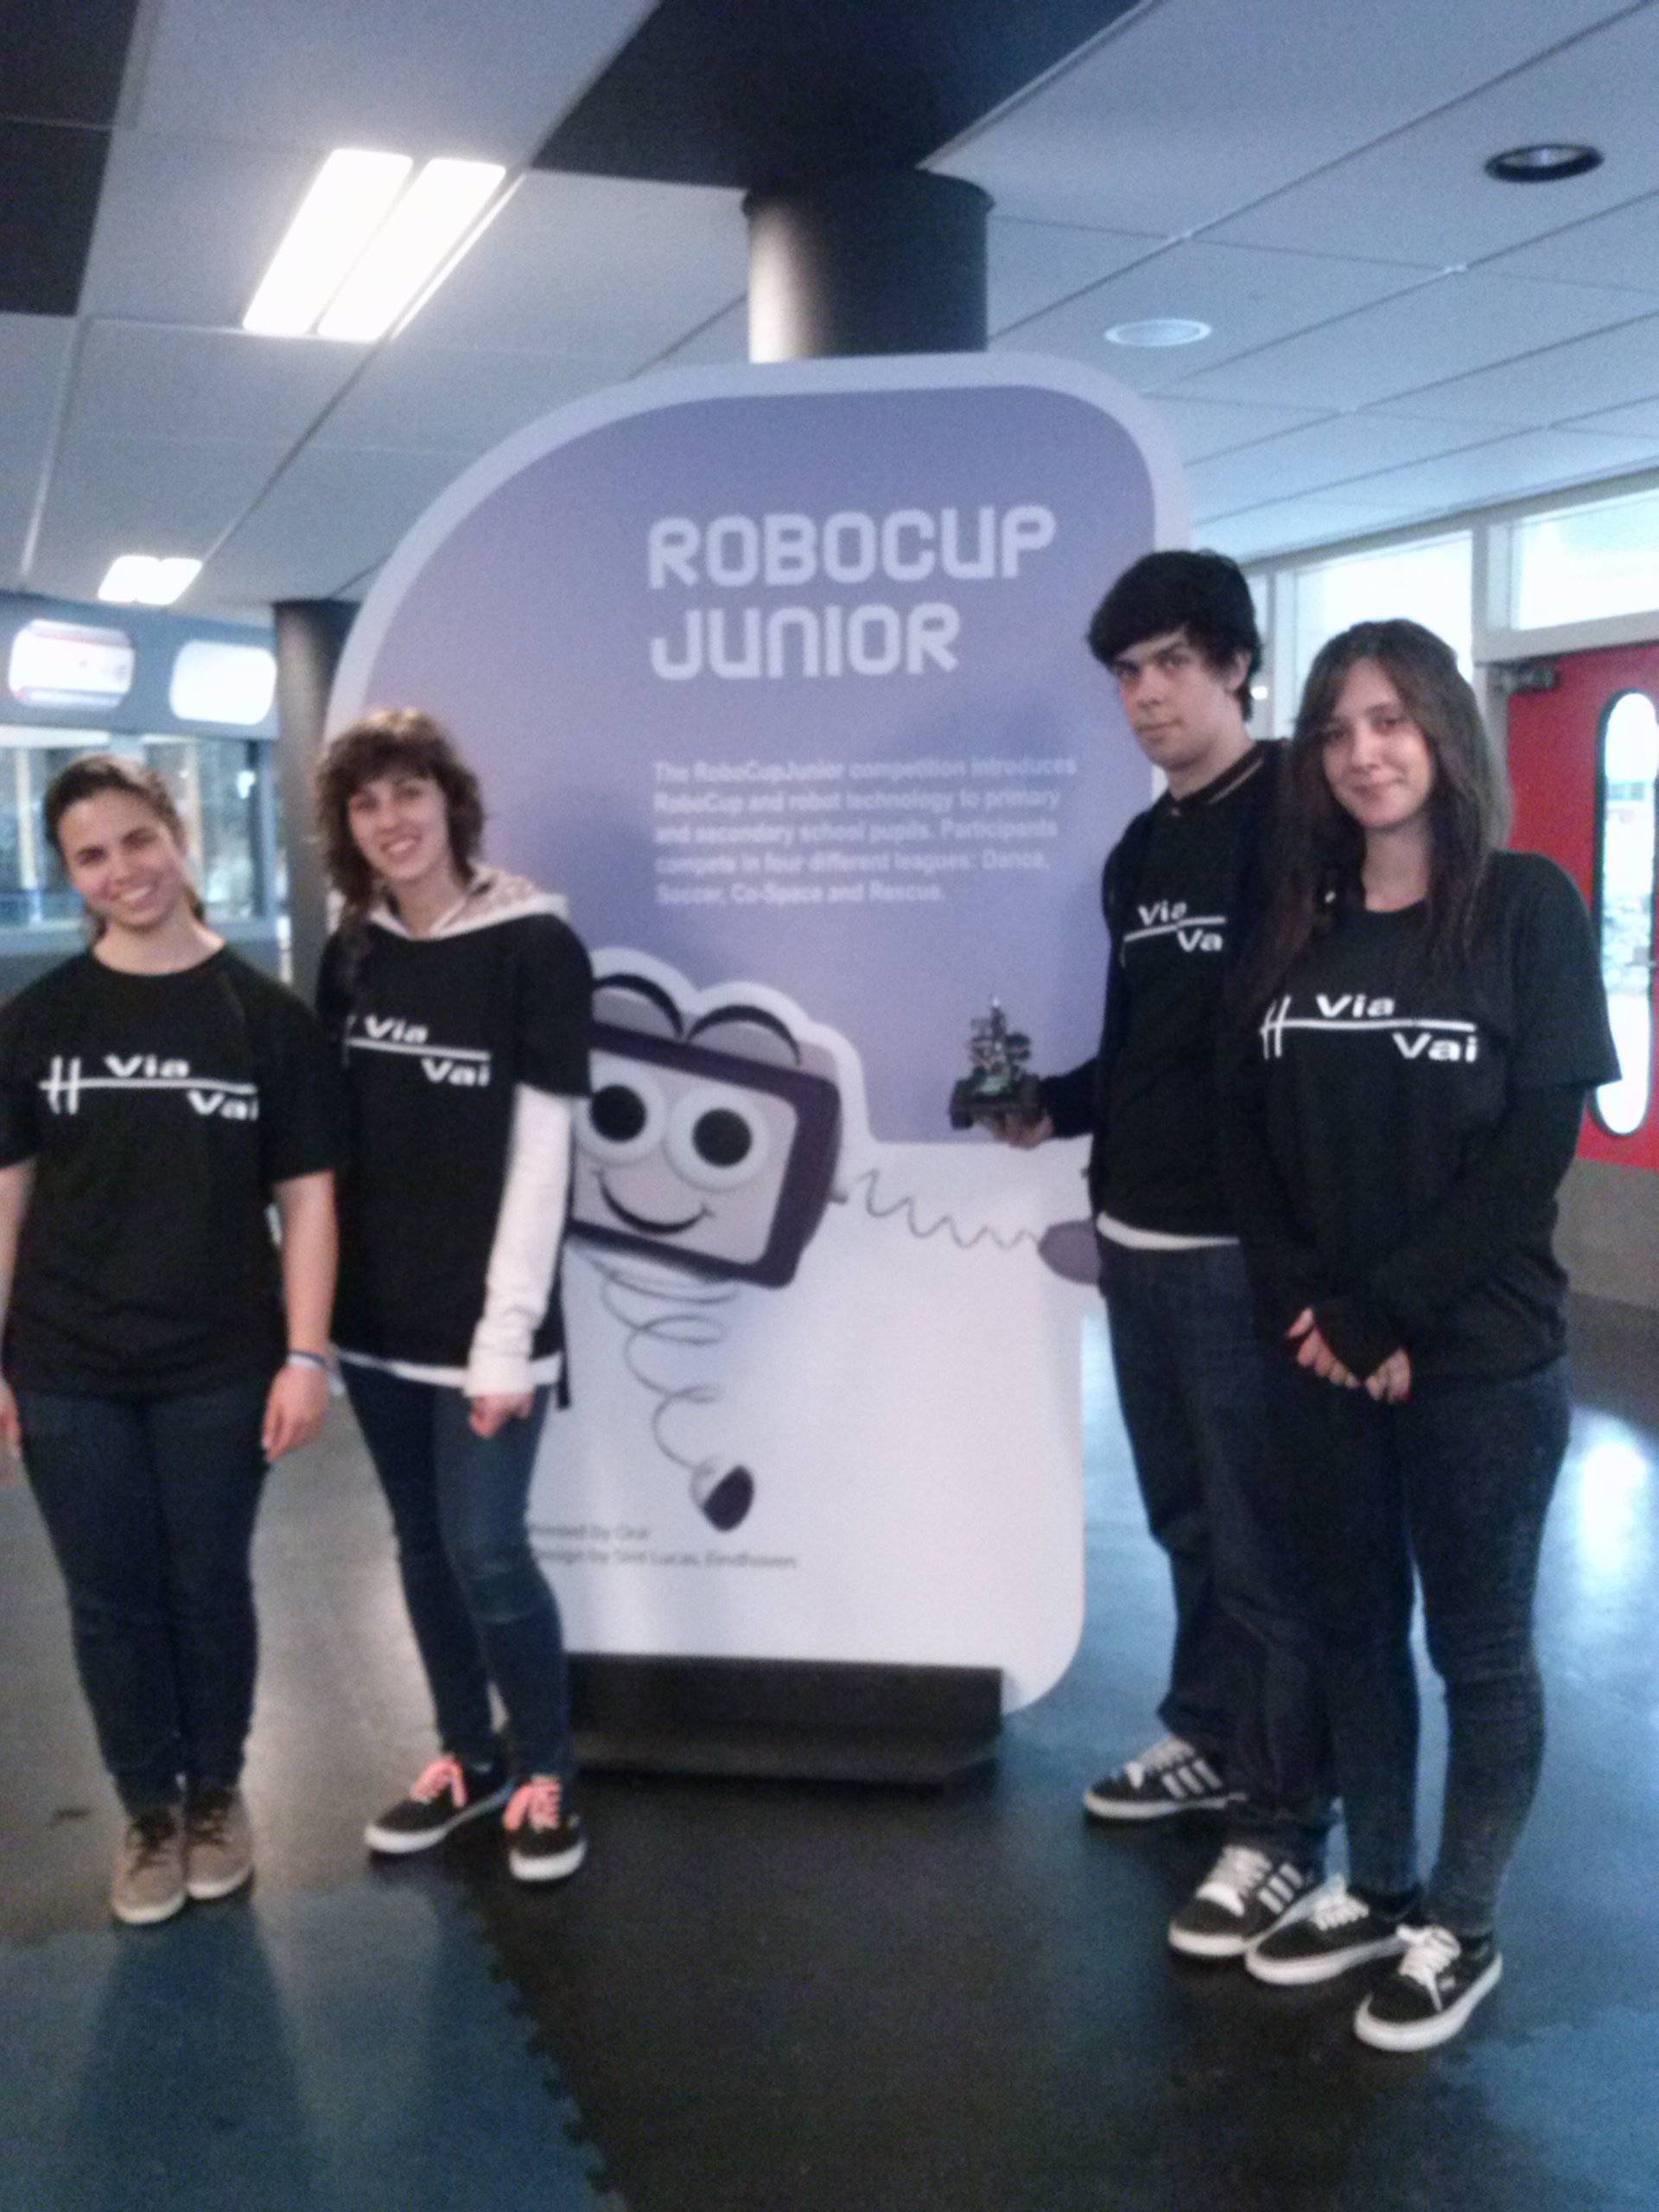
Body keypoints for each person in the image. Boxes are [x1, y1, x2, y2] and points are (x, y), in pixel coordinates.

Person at [1225, 620, 1617, 2050]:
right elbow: (1246, 1142)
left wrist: (1387, 1309)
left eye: (1389, 720)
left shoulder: (1524, 905)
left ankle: (1464, 1921)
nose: (1363, 753)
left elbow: (1533, 1147)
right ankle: (1380, 1883)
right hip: (1322, 1349)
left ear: (1444, 732)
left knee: (1480, 1649)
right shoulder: (1295, 921)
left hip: (1479, 1356)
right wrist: (1318, 1314)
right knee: (1350, 1628)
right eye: (1335, 729)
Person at [997, 549, 1330, 1956]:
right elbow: (1145, 1048)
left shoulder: (1301, 817)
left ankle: (1284, 1824)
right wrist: (1050, 1107)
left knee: (1265, 1548)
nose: (1146, 694)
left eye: (1174, 664)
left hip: (1242, 1251)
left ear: (1237, 666)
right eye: (1128, 673)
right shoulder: (1142, 854)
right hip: (1134, 1240)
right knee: (1187, 1522)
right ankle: (1209, 1733)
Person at [0, 754, 337, 1925]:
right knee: (108, 1599)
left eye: (137, 840)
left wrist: (306, 1356)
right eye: (91, 856)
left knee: (207, 1586)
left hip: (220, 1362)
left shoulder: (266, 1018)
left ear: (178, 835)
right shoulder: (36, 1021)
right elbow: (5, 1200)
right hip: (66, 1366)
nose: (123, 871)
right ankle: (147, 1809)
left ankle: (216, 1796)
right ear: (71, 875)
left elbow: (308, 1203)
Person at [315, 709, 593, 1885]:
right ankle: (467, 1757)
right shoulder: (352, 952)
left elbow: (542, 1158)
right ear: (348, 827)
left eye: (409, 793)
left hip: (491, 1329)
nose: (393, 820)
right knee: (424, 1547)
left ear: (450, 803)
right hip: (377, 1323)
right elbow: (329, 1148)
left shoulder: (536, 948)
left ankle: (547, 1771)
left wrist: (504, 1338)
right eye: (367, 802)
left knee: (486, 1547)